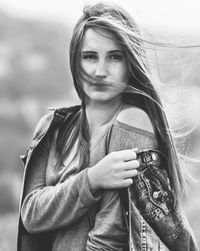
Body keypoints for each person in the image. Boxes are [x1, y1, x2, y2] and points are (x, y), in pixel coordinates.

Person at [17, 2, 199, 251]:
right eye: (90, 57)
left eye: (114, 57)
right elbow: (30, 215)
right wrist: (93, 179)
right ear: (76, 62)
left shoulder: (132, 124)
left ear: (130, 64)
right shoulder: (52, 127)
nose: (100, 71)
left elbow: (109, 240)